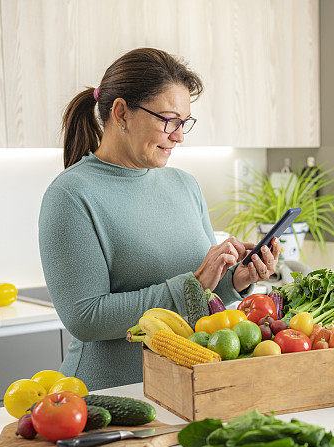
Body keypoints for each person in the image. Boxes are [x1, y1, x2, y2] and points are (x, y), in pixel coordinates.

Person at [39, 48, 279, 391]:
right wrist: (192, 284)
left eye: (185, 123)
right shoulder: (71, 195)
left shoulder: (185, 185)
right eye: (169, 120)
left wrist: (235, 280)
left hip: (186, 385)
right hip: (110, 393)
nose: (179, 135)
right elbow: (86, 318)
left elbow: (198, 297)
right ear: (121, 112)